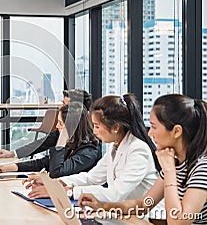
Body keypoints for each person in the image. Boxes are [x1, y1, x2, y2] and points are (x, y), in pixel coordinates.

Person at [79, 94, 207, 224]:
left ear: (176, 131)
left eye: (154, 126)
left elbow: (178, 221)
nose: (150, 133)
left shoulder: (201, 169)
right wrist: (102, 205)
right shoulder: (176, 164)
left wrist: (169, 171)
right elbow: (143, 205)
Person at [25, 93, 161, 204]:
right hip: (122, 214)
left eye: (97, 126)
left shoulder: (138, 150)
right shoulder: (116, 147)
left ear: (115, 128)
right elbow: (92, 178)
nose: (94, 132)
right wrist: (55, 183)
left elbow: (115, 194)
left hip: (143, 218)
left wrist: (65, 191)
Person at [0, 102, 101, 178]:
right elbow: (43, 163)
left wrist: (61, 141)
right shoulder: (73, 144)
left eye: (60, 123)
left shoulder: (88, 152)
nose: (57, 126)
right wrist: (8, 168)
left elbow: (56, 173)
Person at [0, 89, 92, 159]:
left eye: (64, 104)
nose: (60, 106)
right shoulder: (64, 129)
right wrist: (13, 153)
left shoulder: (89, 139)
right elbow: (42, 143)